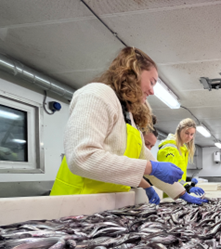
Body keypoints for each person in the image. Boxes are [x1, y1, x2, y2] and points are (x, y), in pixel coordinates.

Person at [50, 47, 192, 205]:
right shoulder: (96, 94)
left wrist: (181, 193)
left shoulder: (128, 116)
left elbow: (146, 160)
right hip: (74, 206)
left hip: (107, 208)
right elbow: (82, 158)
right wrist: (151, 167)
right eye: (151, 82)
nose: (152, 92)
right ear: (134, 72)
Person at [157, 118, 207, 204]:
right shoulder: (170, 149)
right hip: (168, 195)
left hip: (177, 193)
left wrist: (189, 183)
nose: (189, 137)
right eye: (187, 133)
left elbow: (178, 173)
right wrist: (187, 187)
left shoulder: (182, 149)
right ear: (179, 131)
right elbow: (168, 176)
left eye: (192, 134)